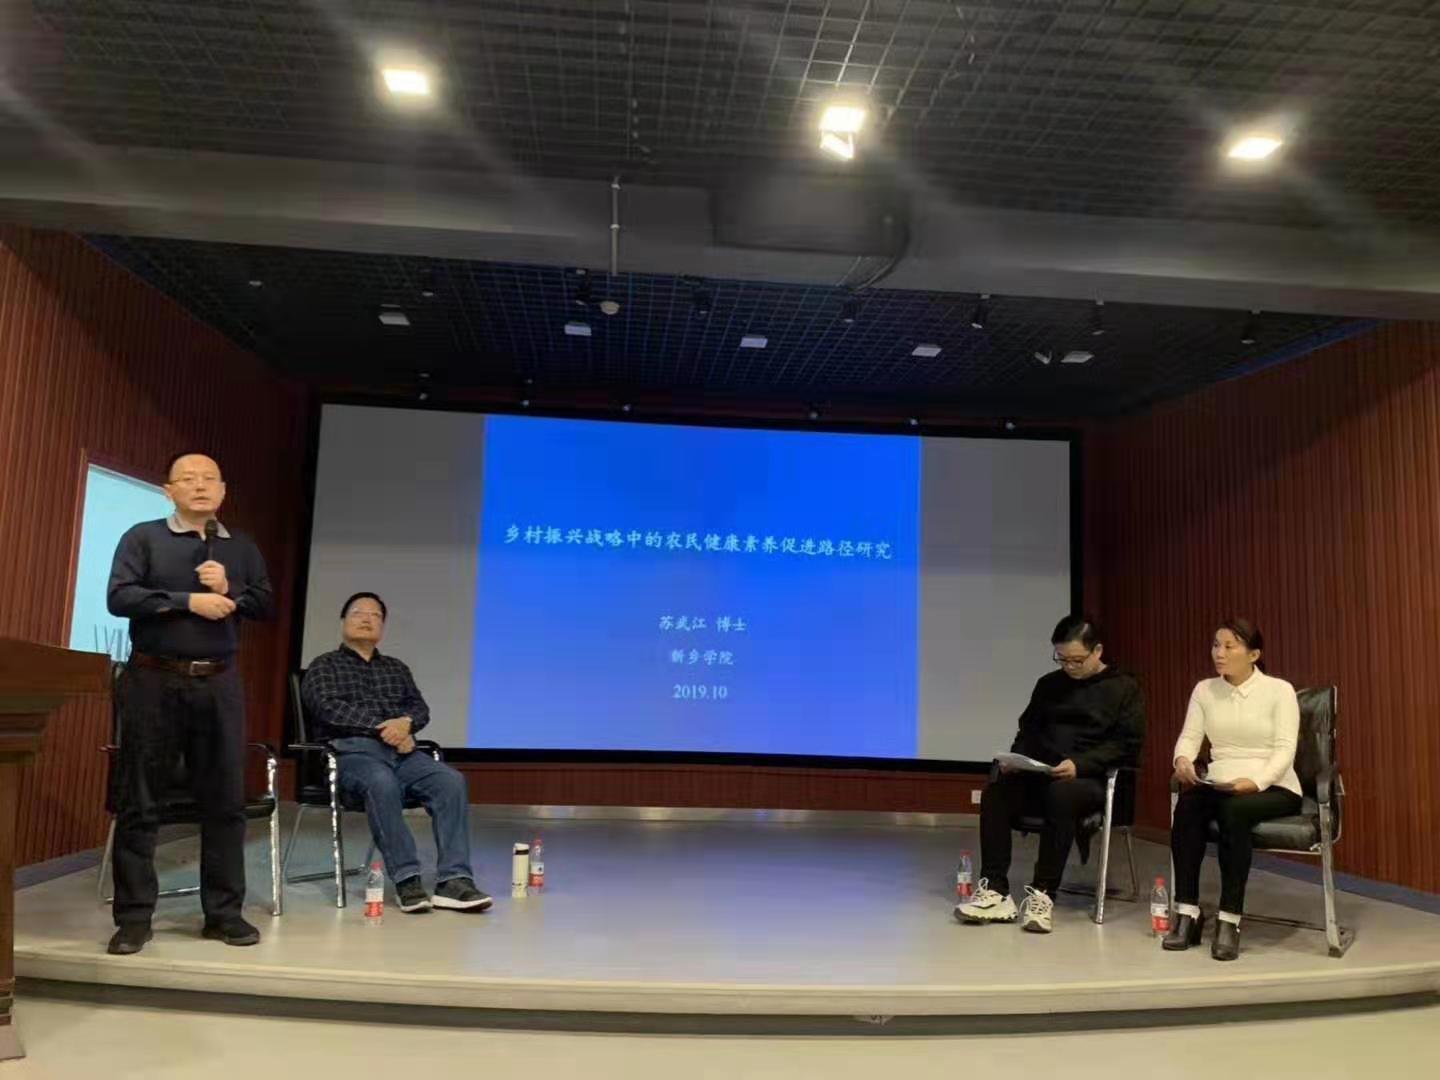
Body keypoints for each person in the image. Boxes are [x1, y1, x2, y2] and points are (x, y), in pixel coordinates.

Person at [105, 453, 273, 955]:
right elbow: (120, 597)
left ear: (222, 491)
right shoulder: (143, 537)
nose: (200, 486)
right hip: (153, 679)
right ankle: (134, 918)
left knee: (225, 802)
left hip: (219, 683)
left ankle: (223, 915)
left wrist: (230, 589)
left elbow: (265, 604)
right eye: (188, 479)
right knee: (140, 800)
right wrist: (187, 601)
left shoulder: (241, 547)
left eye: (209, 479)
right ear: (168, 490)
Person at [302, 593, 491, 914]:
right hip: (351, 754)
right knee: (381, 781)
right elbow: (329, 709)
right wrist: (384, 729)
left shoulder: (396, 668)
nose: (367, 619)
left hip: (401, 754)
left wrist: (406, 724)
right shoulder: (324, 665)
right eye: (358, 613)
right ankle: (407, 879)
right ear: (343, 621)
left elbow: (419, 708)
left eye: (375, 615)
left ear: (383, 626)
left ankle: (453, 880)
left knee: (450, 781)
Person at [956, 615, 1145, 933]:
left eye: (1077, 660)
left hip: (1089, 780)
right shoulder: (1049, 685)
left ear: (1098, 651)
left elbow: (1127, 745)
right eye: (1062, 659)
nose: (1069, 666)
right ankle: (995, 890)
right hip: (1042, 773)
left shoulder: (1124, 687)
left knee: (1062, 792)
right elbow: (1028, 731)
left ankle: (1043, 894)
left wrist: (1081, 764)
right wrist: (1016, 759)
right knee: (997, 791)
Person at [1165, 618, 1301, 961]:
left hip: (1274, 785)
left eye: (1229, 646)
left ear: (1254, 654)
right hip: (1221, 781)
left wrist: (1256, 782)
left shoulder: (1279, 690)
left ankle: (1229, 919)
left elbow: (1285, 749)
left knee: (1234, 810)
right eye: (1216, 645)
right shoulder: (1204, 690)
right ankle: (1187, 912)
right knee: (1188, 807)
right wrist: (1183, 760)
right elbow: (1190, 736)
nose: (1219, 653)